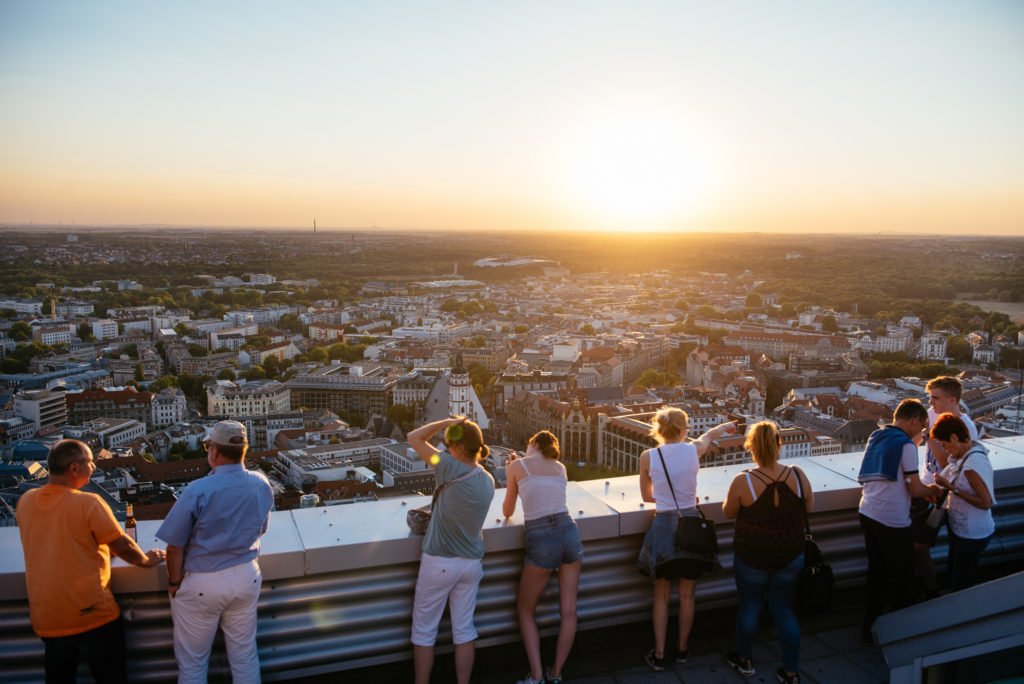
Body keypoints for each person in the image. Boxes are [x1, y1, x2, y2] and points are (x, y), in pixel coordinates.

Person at [17, 439, 166, 684]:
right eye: (90, 462)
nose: (94, 467)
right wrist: (146, 559)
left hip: (47, 616)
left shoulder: (26, 501)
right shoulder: (88, 503)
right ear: (74, 468)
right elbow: (122, 544)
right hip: (91, 613)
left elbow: (63, 536)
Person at [156, 420, 274, 684]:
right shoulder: (260, 483)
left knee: (193, 665)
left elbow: (174, 546)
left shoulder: (198, 490)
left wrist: (174, 583)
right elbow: (261, 529)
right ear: (244, 451)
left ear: (214, 451)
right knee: (245, 656)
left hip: (201, 582)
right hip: (246, 576)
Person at [637, 407, 736, 672]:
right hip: (691, 527)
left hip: (663, 526)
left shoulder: (648, 456)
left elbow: (647, 497)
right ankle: (681, 650)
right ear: (683, 431)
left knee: (661, 596)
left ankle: (658, 654)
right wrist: (727, 426)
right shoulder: (693, 450)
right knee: (687, 595)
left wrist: (666, 498)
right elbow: (710, 435)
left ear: (659, 430)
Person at [407, 416, 496, 684]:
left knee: (424, 633)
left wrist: (447, 421)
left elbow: (414, 438)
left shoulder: (446, 466)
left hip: (439, 562)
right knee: (464, 631)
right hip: (470, 565)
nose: (445, 449)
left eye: (447, 444)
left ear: (457, 447)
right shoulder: (488, 480)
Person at [722, 421, 812, 684]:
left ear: (752, 448)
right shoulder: (797, 474)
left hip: (753, 556)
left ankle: (744, 659)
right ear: (779, 444)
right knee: (784, 609)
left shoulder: (744, 480)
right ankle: (791, 670)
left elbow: (729, 513)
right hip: (790, 554)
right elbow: (809, 506)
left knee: (750, 606)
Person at [857, 399, 943, 644]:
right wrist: (934, 489)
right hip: (891, 519)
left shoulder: (878, 435)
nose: (922, 434)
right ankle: (899, 631)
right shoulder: (906, 446)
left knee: (877, 574)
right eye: (922, 429)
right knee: (902, 577)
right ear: (915, 421)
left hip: (868, 511)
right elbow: (915, 490)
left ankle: (868, 628)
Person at [503, 430, 583, 684]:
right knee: (569, 611)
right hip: (569, 532)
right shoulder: (560, 468)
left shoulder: (517, 465)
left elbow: (507, 511)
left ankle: (536, 676)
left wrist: (510, 474)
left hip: (541, 537)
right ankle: (556, 674)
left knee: (526, 609)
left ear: (533, 444)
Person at [914, 376, 979, 598]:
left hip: (948, 495)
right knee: (919, 545)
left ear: (953, 400)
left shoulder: (966, 427)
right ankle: (931, 590)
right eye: (930, 398)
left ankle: (952, 596)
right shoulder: (932, 414)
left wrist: (930, 438)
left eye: (935, 398)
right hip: (928, 489)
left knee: (954, 547)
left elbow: (948, 464)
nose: (930, 404)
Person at [930, 413, 995, 591]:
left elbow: (985, 503)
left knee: (962, 579)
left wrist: (951, 488)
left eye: (945, 445)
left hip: (971, 532)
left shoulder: (970, 467)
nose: (946, 451)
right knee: (956, 571)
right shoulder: (969, 454)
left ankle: (961, 609)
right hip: (961, 528)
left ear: (954, 437)